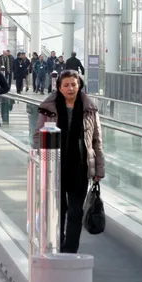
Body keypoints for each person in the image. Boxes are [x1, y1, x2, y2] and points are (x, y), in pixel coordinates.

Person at [33, 70, 104, 253]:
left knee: (75, 212)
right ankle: (57, 244)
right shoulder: (49, 107)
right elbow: (38, 135)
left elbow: (96, 140)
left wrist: (99, 170)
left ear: (79, 85)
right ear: (59, 87)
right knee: (58, 210)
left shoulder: (89, 108)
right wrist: (40, 161)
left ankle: (70, 250)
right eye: (66, 85)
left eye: (73, 84)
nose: (70, 88)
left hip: (80, 167)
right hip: (54, 166)